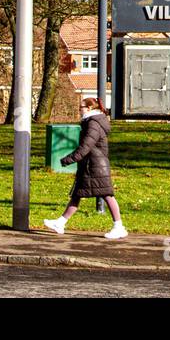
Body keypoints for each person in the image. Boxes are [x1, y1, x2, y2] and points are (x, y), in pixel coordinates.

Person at [43, 98, 128, 239]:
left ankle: (119, 227)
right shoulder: (92, 121)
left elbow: (86, 147)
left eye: (81, 107)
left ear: (89, 108)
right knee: (78, 194)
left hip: (96, 165)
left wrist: (68, 160)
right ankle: (60, 222)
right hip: (90, 164)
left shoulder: (93, 123)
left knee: (107, 194)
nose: (79, 109)